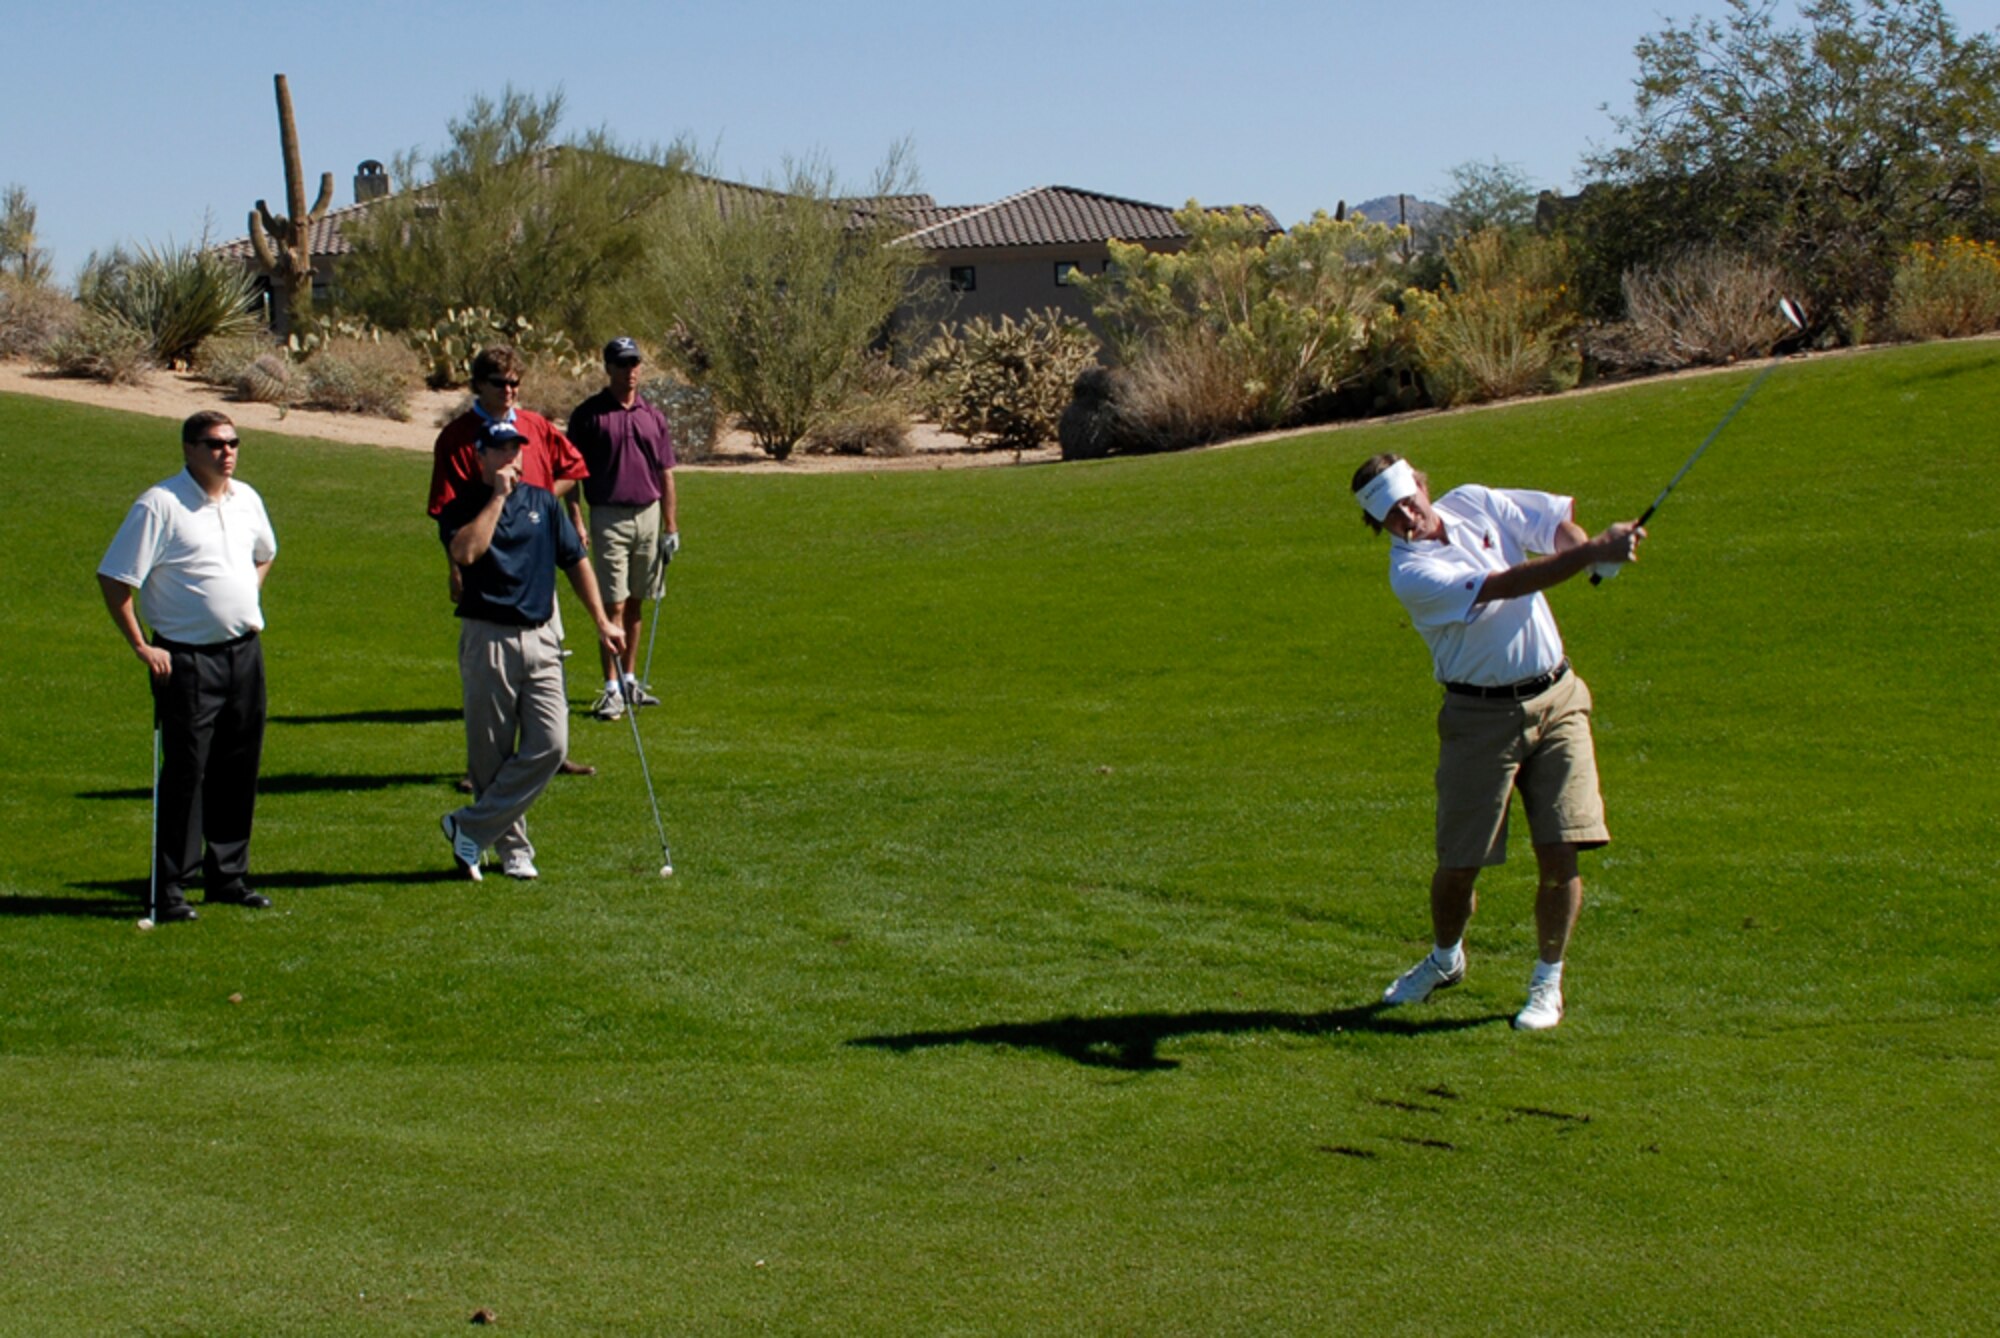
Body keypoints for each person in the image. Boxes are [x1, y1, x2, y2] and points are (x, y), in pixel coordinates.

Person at [1352, 452, 1645, 1030]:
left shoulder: (1475, 501)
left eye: (1409, 501)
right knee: (1459, 865)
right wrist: (1593, 554)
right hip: (1478, 721)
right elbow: (1507, 583)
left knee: (1560, 850)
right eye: (1390, 517)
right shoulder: (1409, 573)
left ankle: (1546, 982)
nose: (1408, 518)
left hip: (1558, 700)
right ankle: (1444, 958)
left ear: (1421, 485)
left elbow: (1553, 523)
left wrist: (1586, 554)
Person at [97, 411, 278, 923]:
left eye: (233, 442)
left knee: (238, 766)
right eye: (214, 443)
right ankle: (171, 885)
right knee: (186, 773)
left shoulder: (247, 500)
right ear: (188, 449)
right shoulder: (160, 505)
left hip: (244, 653)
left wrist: (244, 598)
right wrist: (141, 646)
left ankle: (228, 876)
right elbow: (115, 580)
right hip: (185, 659)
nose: (227, 452)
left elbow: (266, 553)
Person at [438, 420, 626, 881]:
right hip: (489, 638)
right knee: (490, 755)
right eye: (499, 450)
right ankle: (513, 850)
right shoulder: (461, 503)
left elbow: (574, 560)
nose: (511, 458)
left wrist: (601, 620)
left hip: (542, 637)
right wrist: (497, 498)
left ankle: (468, 827)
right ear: (480, 457)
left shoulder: (543, 501)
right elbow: (465, 553)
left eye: (515, 449)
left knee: (551, 743)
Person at [429, 345, 597, 778]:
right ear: (478, 385)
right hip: (487, 566)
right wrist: (455, 569)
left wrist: (543, 503)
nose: (509, 391)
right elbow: (446, 510)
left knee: (547, 659)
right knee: (491, 677)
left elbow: (573, 468)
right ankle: (485, 767)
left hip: (537, 560)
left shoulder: (536, 427)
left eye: (515, 383)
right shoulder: (457, 438)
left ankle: (547, 752)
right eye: (500, 383)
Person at [566, 335, 680, 721]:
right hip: (607, 515)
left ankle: (630, 680)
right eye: (622, 364)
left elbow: (666, 473)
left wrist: (670, 526)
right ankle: (611, 688)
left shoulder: (653, 416)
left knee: (636, 602)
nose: (630, 371)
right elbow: (570, 474)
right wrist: (577, 519)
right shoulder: (589, 415)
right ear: (608, 368)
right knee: (611, 605)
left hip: (648, 515)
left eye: (635, 364)